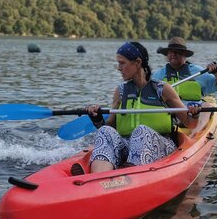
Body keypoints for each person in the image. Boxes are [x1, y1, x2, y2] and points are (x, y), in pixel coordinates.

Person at [85, 41, 202, 173]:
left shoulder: (162, 89)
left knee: (141, 131)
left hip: (160, 145)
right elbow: (111, 127)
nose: (119, 68)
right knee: (105, 131)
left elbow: (190, 124)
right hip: (127, 145)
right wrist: (97, 118)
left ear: (138, 62)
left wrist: (194, 114)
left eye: (122, 63)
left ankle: (129, 175)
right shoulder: (121, 90)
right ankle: (98, 179)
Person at [152, 36, 217, 101]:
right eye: (171, 52)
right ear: (167, 54)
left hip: (193, 111)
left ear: (185, 55)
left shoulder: (197, 71)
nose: (173, 55)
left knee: (207, 106)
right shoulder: (159, 74)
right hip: (169, 111)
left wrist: (216, 72)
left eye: (177, 52)